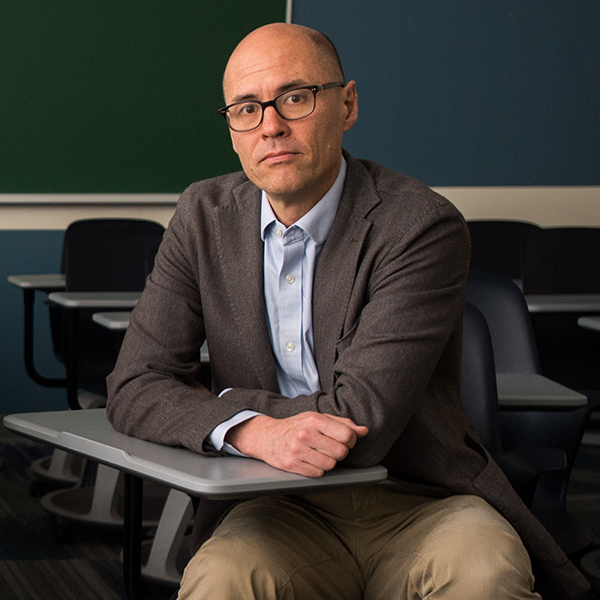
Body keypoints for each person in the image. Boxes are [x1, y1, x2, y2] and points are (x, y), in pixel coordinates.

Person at [106, 22, 589, 600]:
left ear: (348, 104)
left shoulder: (419, 225)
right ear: (232, 129)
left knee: (486, 576)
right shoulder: (201, 216)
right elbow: (134, 383)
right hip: (271, 503)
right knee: (220, 582)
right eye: (246, 109)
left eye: (295, 97)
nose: (272, 126)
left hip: (421, 499)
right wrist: (255, 432)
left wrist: (223, 406)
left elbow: (359, 422)